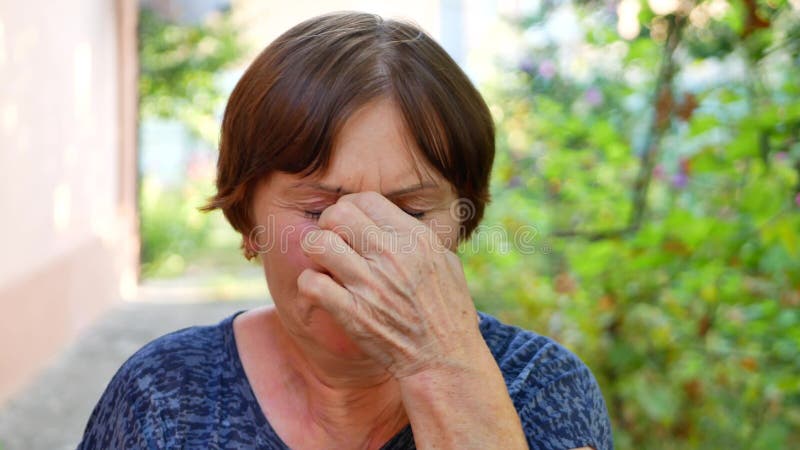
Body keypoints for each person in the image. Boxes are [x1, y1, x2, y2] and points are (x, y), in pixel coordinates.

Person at [79, 11, 613, 450]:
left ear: (463, 222)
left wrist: (441, 366)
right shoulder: (165, 394)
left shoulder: (541, 389)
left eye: (411, 213)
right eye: (317, 211)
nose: (364, 246)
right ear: (247, 221)